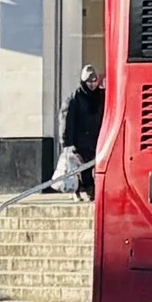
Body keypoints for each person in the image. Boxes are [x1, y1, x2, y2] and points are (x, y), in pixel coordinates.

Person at [60, 65, 105, 201]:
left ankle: (93, 191)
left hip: (97, 138)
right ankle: (82, 190)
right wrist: (67, 143)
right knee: (81, 167)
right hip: (81, 140)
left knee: (94, 166)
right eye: (89, 82)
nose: (92, 84)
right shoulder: (75, 98)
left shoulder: (101, 96)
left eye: (94, 81)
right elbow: (66, 122)